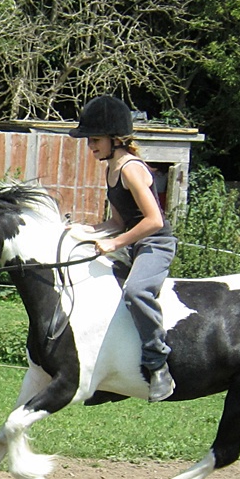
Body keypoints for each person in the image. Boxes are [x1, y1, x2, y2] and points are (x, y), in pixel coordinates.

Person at [68, 95, 177, 402]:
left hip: (155, 244)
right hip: (132, 244)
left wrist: (114, 243)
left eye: (95, 140)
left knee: (135, 292)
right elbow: (118, 221)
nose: (90, 146)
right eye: (89, 140)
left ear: (115, 139)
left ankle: (158, 364)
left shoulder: (130, 168)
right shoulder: (111, 169)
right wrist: (84, 231)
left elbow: (154, 220)